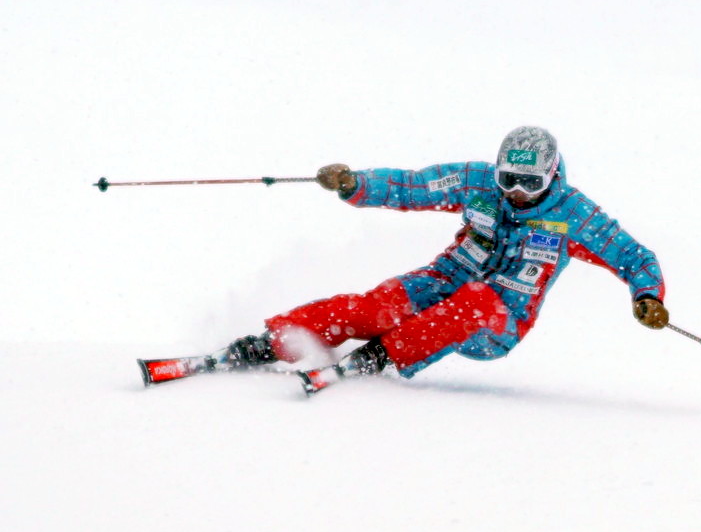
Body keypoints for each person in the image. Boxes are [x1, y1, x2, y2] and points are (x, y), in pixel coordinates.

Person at [218, 126, 668, 394]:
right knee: (378, 308)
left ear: (551, 178)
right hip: (441, 282)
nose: (515, 192)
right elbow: (413, 187)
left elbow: (633, 255)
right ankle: (275, 340)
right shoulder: (477, 182)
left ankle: (378, 358)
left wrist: (647, 295)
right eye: (508, 178)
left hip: (499, 319)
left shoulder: (573, 214)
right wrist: (354, 183)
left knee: (475, 299)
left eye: (529, 184)